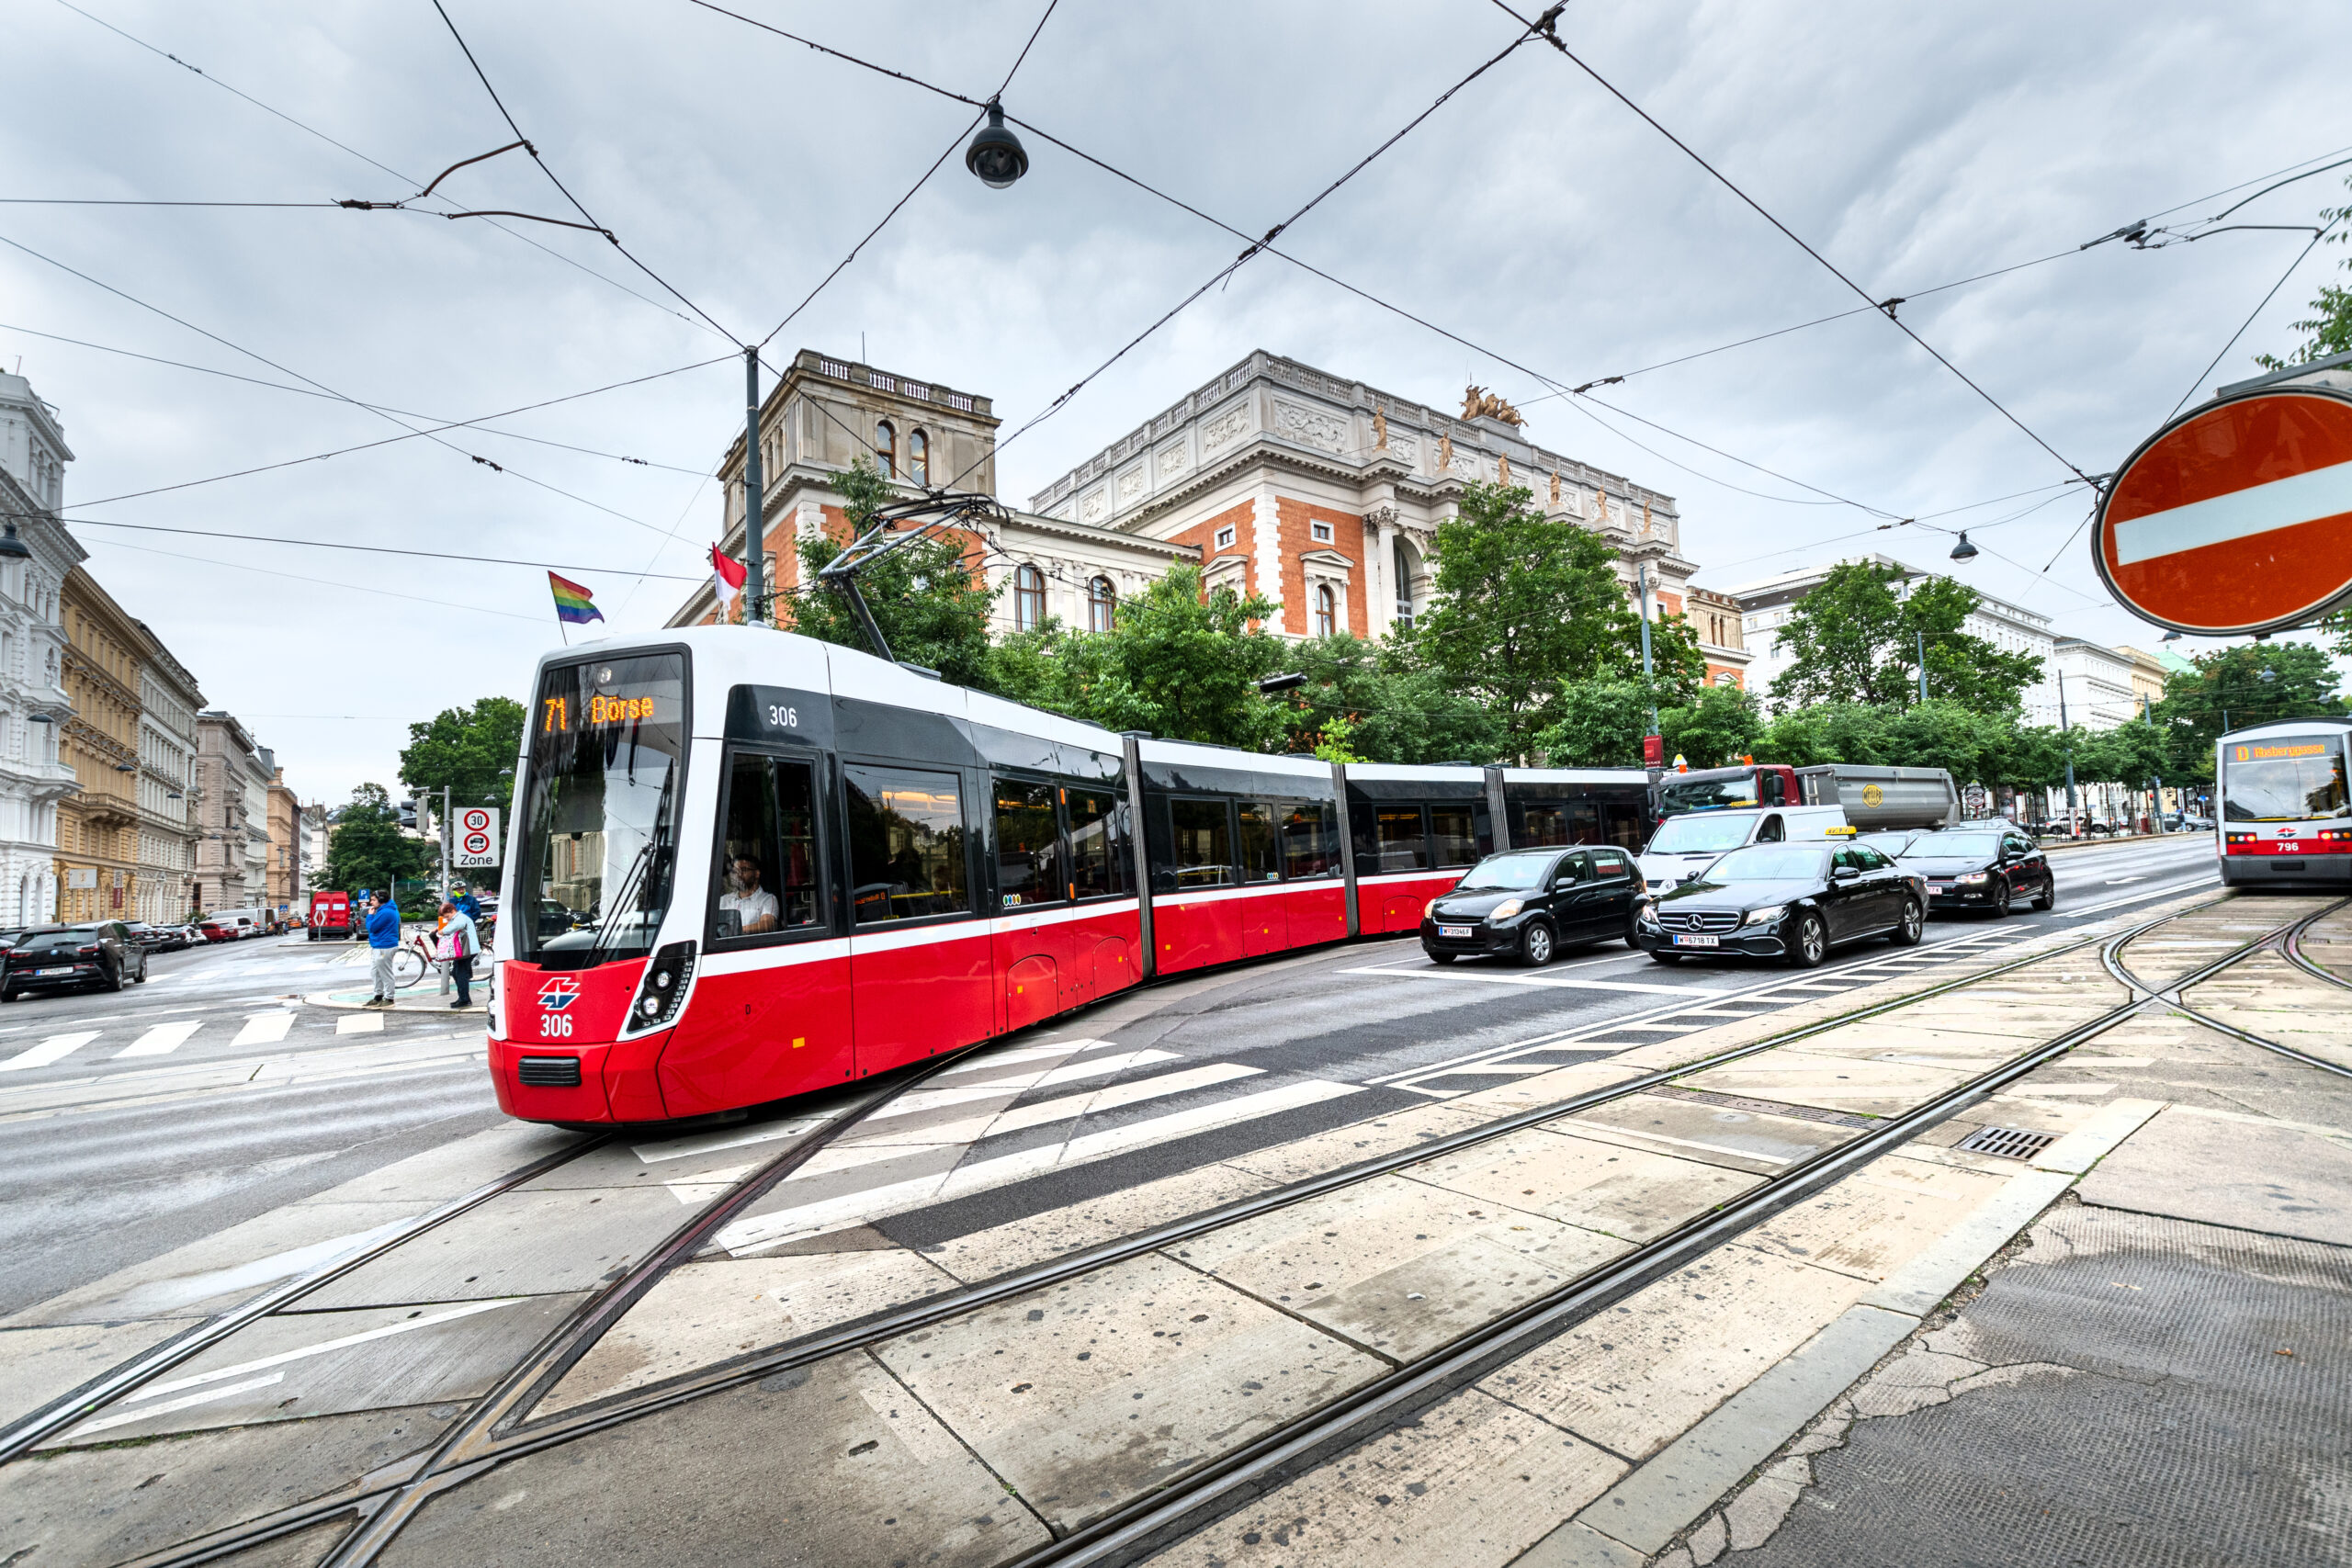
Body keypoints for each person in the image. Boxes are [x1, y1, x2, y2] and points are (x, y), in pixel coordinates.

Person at [718, 856, 779, 934]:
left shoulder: (768, 899)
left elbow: (767, 926)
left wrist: (735, 931)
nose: (738, 874)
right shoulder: (724, 900)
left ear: (757, 874)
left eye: (744, 870)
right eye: (735, 871)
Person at [438, 898, 481, 1008]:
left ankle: (464, 999)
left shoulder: (460, 918)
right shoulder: (456, 918)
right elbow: (451, 925)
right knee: (457, 972)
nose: (447, 919)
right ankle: (463, 997)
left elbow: (457, 926)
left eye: (447, 916)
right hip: (466, 949)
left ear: (452, 911)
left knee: (460, 973)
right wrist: (438, 929)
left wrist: (443, 931)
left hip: (468, 949)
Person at [363, 891, 401, 1006]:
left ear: (381, 900)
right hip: (379, 945)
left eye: (373, 900)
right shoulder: (386, 910)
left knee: (385, 973)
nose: (371, 902)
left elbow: (372, 927)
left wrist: (370, 916)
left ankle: (389, 998)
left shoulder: (386, 912)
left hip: (384, 946)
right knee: (375, 972)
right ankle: (378, 996)